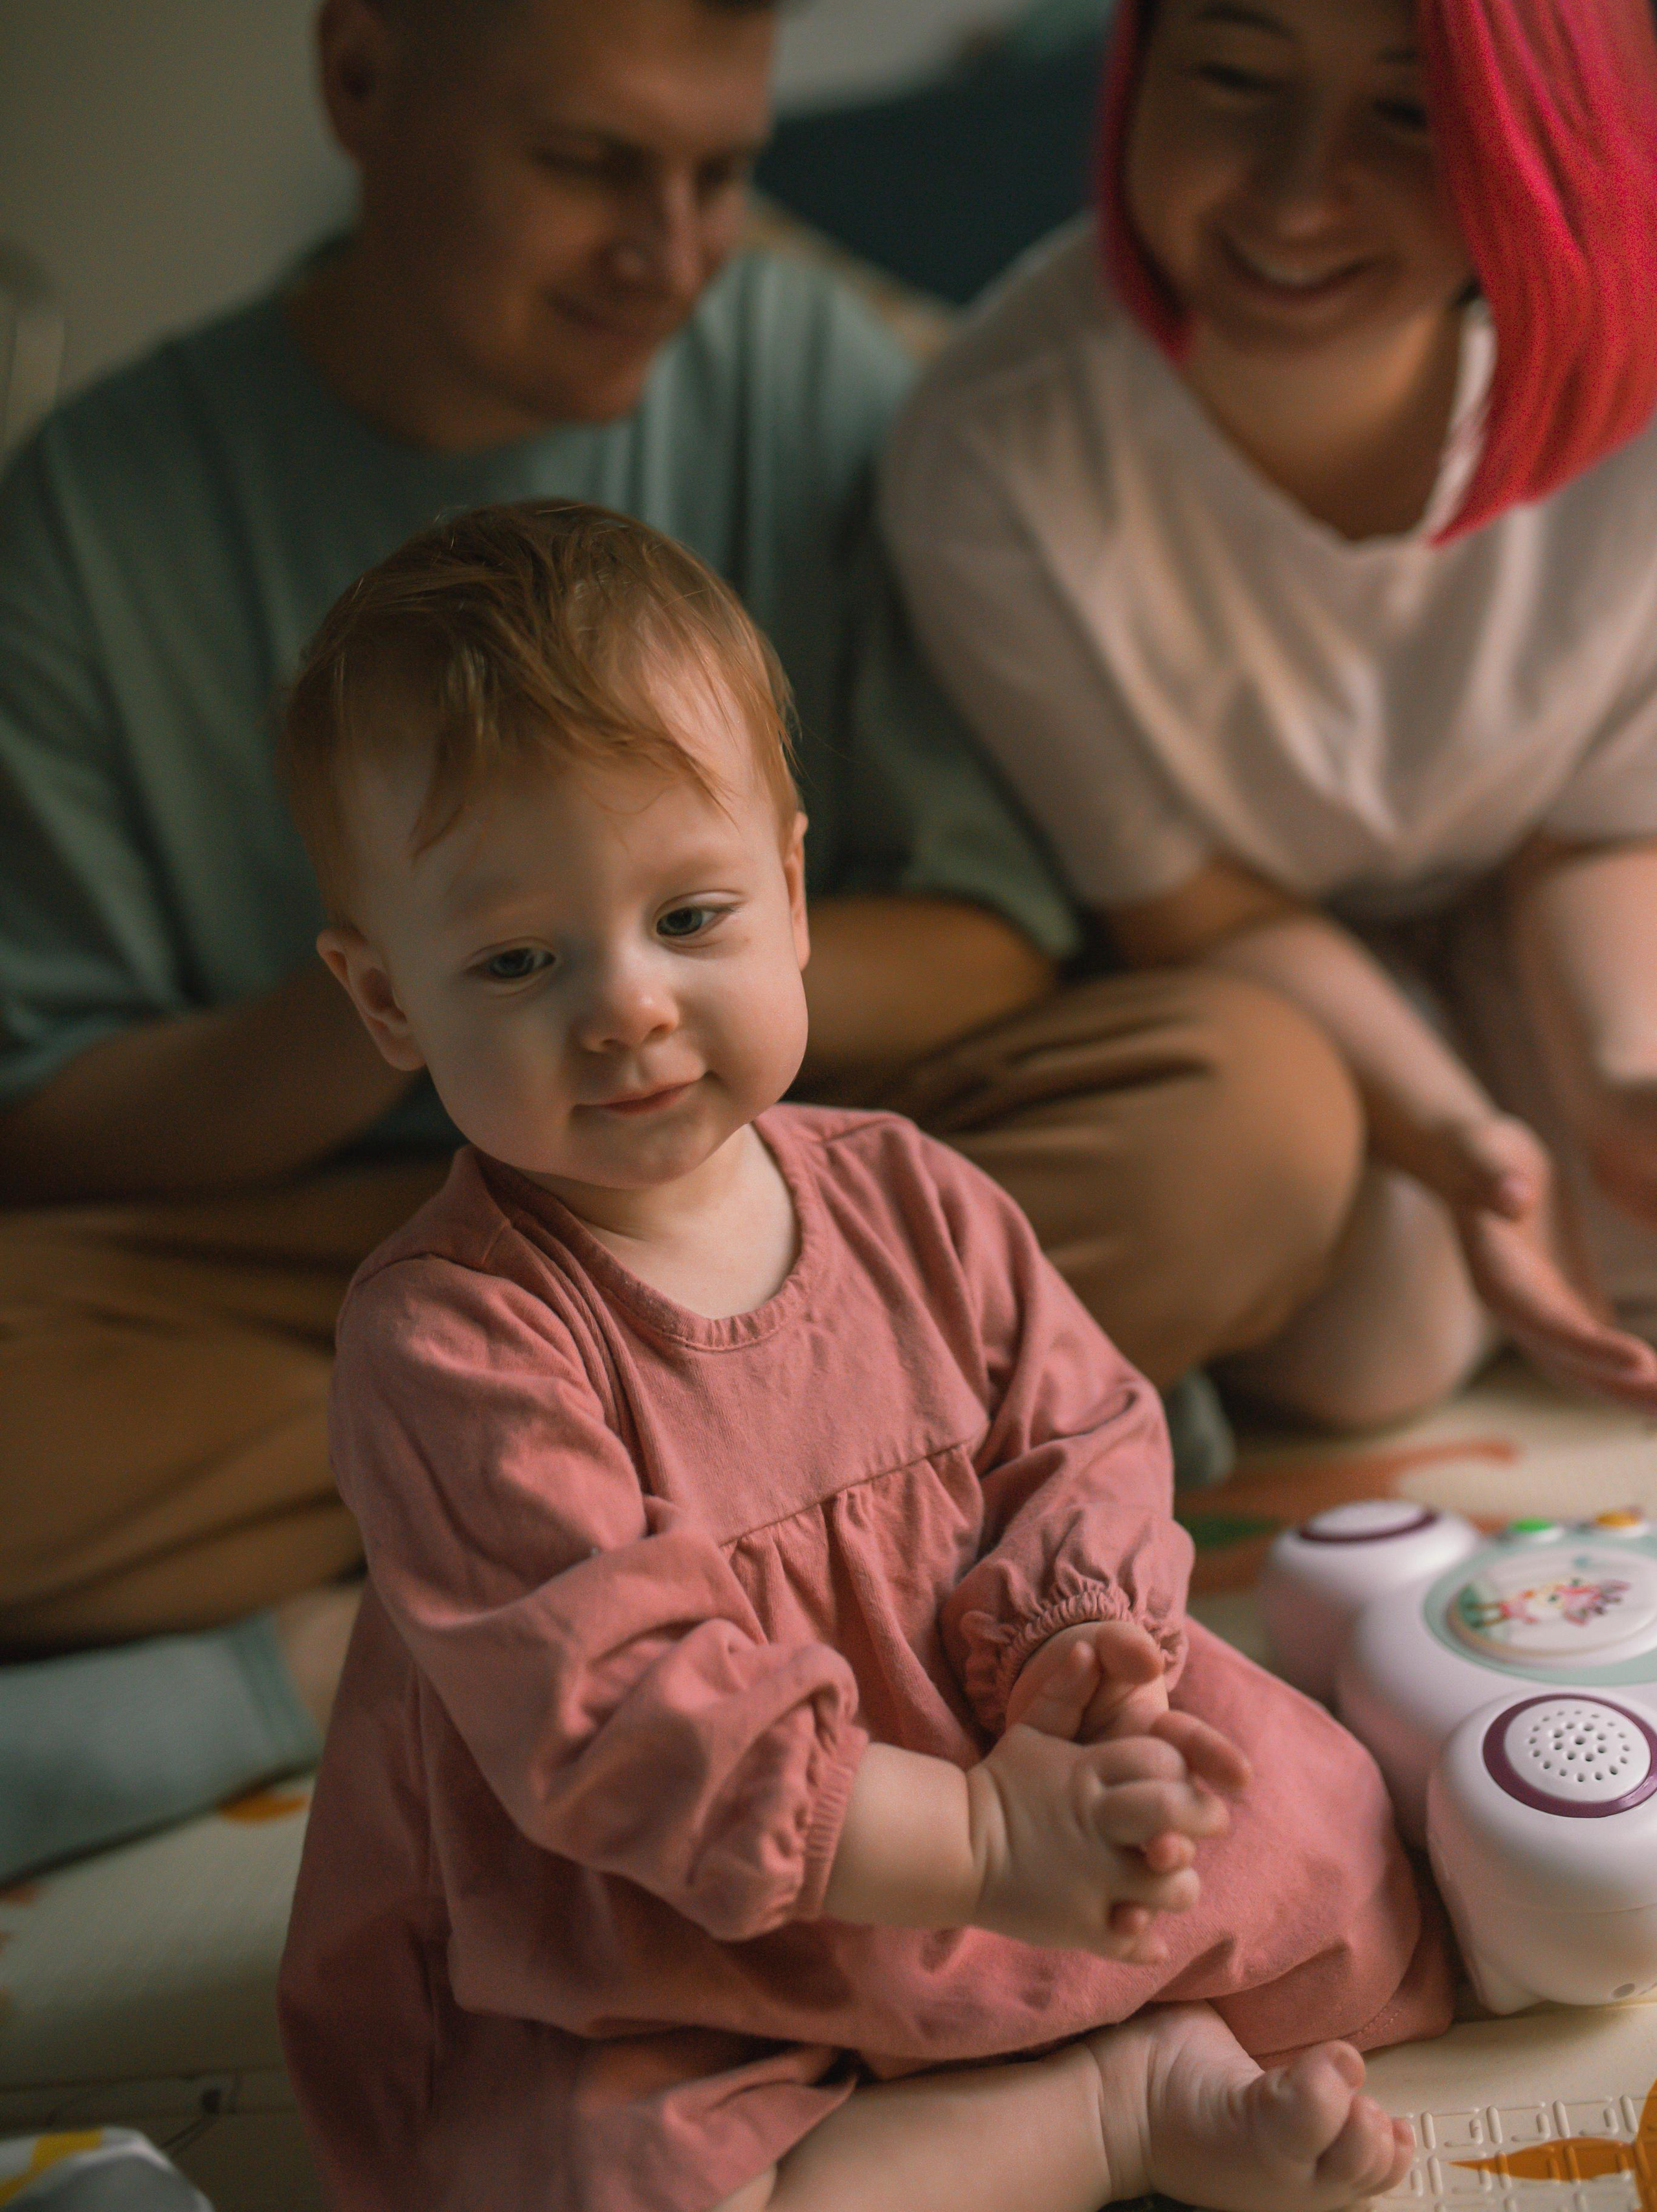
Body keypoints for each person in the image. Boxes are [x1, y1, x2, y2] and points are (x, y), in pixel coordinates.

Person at [0, 0, 1364, 1876]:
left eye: (719, 171)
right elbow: (47, 1118)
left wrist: (663, 991)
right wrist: (453, 1005)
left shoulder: (811, 376)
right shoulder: (93, 515)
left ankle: (531, 1553)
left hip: (777, 1225)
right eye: (588, 161)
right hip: (323, 1266)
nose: (675, 250)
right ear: (361, 77)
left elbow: (1000, 927)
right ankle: (560, 1557)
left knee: (1254, 1112)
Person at [275, 500, 1447, 2212]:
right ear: (386, 1002)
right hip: (665, 1911)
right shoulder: (453, 1334)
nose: (625, 1005)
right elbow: (626, 1720)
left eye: (689, 914)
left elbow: (1087, 1433)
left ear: (797, 893)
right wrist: (972, 1847)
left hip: (997, 1753)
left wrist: (1079, 1671)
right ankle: (1110, 2108)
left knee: (1326, 1833)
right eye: (517, 958)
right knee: (597, 2178)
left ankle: (1054, 2027)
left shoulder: (910, 1190)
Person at [883, 0, 1657, 1436]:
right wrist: (1476, 1148)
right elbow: (1206, 910)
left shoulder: (1630, 404)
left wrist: (1619, 1081)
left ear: (1534, 112)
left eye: (1406, 110)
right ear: (1142, 50)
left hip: (1557, 912)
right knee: (1370, 1331)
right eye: (1235, 76)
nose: (1304, 193)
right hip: (1262, 983)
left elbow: (1600, 823)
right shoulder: (993, 455)